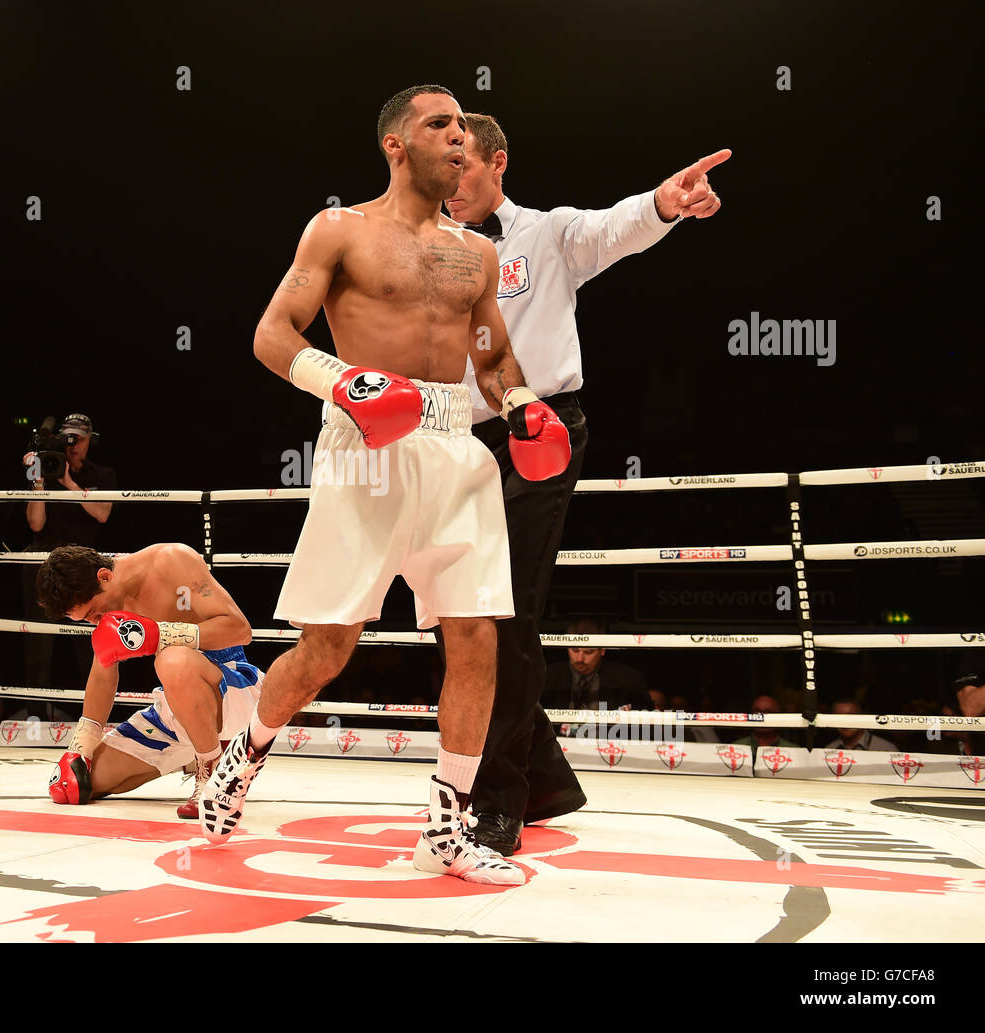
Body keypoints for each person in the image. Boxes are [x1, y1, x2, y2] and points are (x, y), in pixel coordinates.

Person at [201, 85, 572, 886]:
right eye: (442, 125)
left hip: (455, 445)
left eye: (467, 129)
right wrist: (345, 383)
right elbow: (272, 333)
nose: (461, 140)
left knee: (478, 638)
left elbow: (494, 360)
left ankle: (446, 827)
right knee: (327, 647)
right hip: (365, 440)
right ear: (395, 144)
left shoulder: (477, 254)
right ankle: (243, 752)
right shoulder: (340, 229)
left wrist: (522, 407)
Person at [441, 112, 729, 854]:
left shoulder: (546, 232)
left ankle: (499, 795)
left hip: (540, 429)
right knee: (472, 616)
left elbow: (613, 228)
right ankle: (544, 777)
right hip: (458, 441)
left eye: (462, 162)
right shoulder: (433, 252)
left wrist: (665, 201)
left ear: (497, 161)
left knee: (505, 609)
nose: (450, 178)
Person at [34, 544, 261, 819]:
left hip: (231, 688)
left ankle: (212, 769)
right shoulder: (110, 612)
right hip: (179, 711)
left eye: (94, 612)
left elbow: (240, 629)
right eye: (88, 620)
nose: (96, 622)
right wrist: (81, 747)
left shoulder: (172, 562)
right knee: (80, 784)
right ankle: (194, 756)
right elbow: (103, 675)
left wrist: (160, 634)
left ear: (105, 577)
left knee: (171, 660)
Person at [21, 414, 118, 691]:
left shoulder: (102, 475)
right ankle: (35, 716)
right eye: (68, 438)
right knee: (38, 644)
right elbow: (35, 523)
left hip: (84, 567)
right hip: (45, 562)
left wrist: (68, 483)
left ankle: (92, 717)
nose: (73, 444)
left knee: (91, 645)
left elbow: (102, 514)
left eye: (79, 439)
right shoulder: (45, 470)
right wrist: (38, 480)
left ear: (90, 442)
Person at [543, 616, 651, 712]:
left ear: (602, 650)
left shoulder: (629, 679)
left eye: (588, 652)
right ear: (567, 647)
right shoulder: (548, 676)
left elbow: (646, 726)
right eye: (575, 650)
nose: (580, 658)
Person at [732, 693, 798, 757]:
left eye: (768, 712)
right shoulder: (736, 748)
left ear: (778, 715)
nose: (761, 717)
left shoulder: (793, 750)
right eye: (757, 712)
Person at [821, 698, 898, 751]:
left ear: (862, 716)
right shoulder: (829, 750)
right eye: (839, 717)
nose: (845, 722)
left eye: (850, 716)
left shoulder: (884, 749)